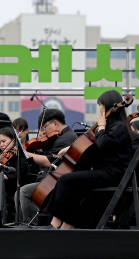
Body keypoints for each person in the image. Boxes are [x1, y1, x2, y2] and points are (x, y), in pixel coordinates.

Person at [43, 90, 132, 229]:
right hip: (104, 172)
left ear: (108, 106)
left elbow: (102, 144)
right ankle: (66, 226)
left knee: (65, 180)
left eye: (101, 105)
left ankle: (54, 224)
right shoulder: (113, 127)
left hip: (111, 174)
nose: (100, 109)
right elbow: (93, 145)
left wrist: (101, 126)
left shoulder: (119, 127)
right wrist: (71, 149)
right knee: (73, 184)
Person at [17, 109, 78, 225]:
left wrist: (26, 153)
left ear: (55, 123)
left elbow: (50, 162)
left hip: (57, 184)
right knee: (19, 192)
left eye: (45, 127)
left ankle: (29, 227)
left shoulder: (66, 138)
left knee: (24, 192)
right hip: (53, 181)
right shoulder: (60, 137)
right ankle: (24, 225)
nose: (44, 132)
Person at [0, 126, 29, 222]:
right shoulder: (4, 158)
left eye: (4, 141)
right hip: (4, 192)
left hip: (14, 194)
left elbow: (15, 177)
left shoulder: (20, 159)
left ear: (13, 140)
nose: (1, 145)